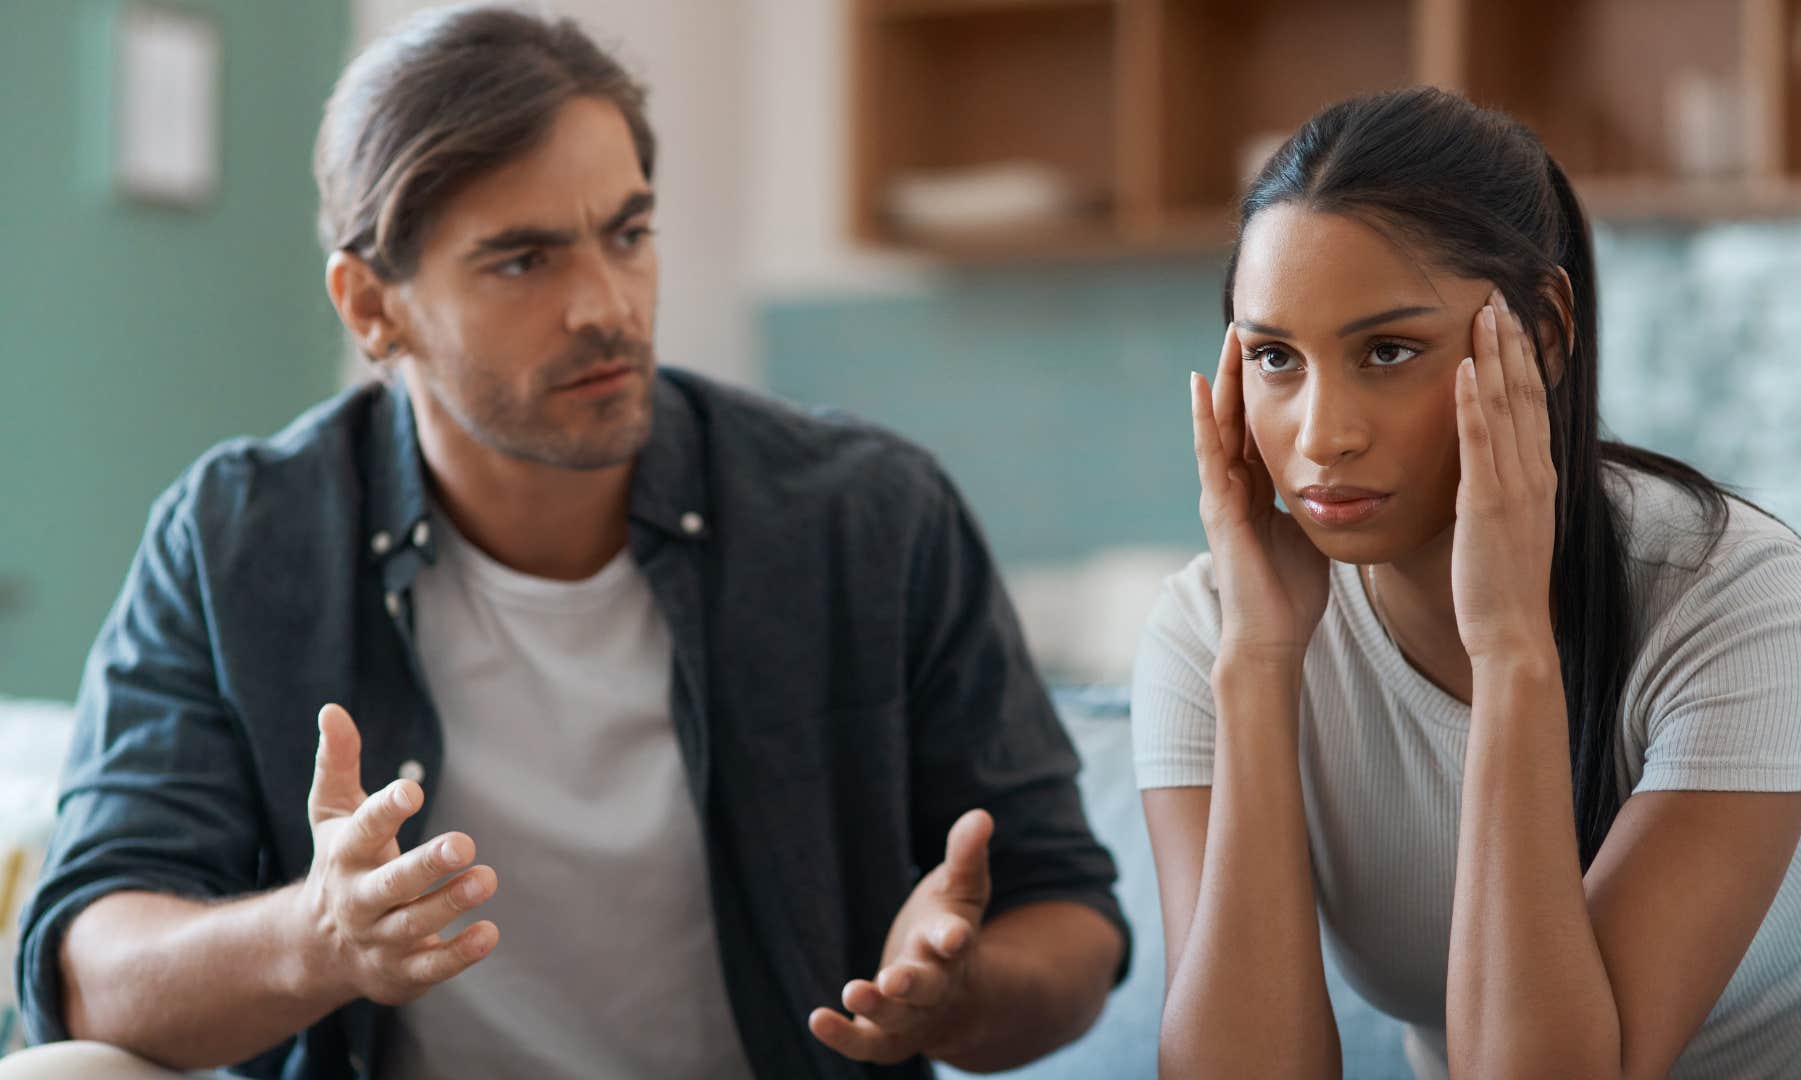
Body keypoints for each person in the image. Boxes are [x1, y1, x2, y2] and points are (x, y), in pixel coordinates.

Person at [7, 6, 1126, 1078]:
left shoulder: (868, 517)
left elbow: (1070, 918)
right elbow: (86, 971)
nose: (609, 305)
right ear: (369, 306)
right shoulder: (235, 540)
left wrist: (957, 992)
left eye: (628, 233)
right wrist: (319, 938)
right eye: (523, 260)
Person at [1135, 87, 1801, 1080]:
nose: (1323, 436)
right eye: (1276, 357)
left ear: (1539, 335)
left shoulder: (1737, 597)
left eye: (1388, 351)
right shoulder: (1213, 629)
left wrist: (1510, 649)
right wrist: (1257, 659)